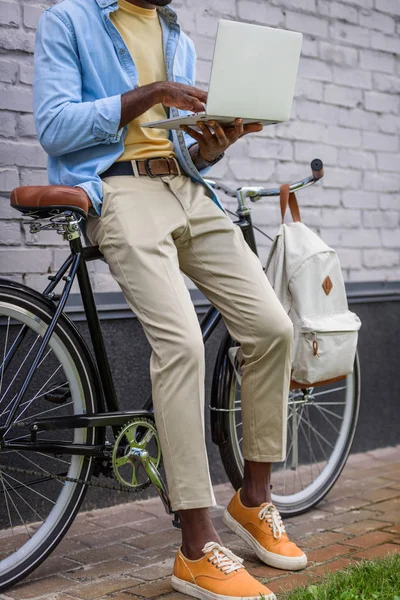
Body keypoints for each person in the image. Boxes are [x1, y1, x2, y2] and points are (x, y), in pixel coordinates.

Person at [33, 0, 307, 598]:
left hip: (185, 186)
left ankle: (255, 499)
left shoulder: (174, 29)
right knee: (182, 344)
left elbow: (182, 149)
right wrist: (148, 92)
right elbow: (53, 125)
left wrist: (212, 146)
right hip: (117, 189)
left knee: (272, 328)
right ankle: (195, 545)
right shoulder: (69, 19)